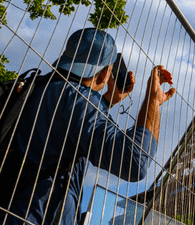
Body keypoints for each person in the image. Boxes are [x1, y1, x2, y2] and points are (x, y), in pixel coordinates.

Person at [0, 28, 176, 225]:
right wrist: (153, 100)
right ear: (103, 74)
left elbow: (66, 124)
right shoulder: (81, 99)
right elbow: (135, 163)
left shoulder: (40, 86)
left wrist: (108, 101)